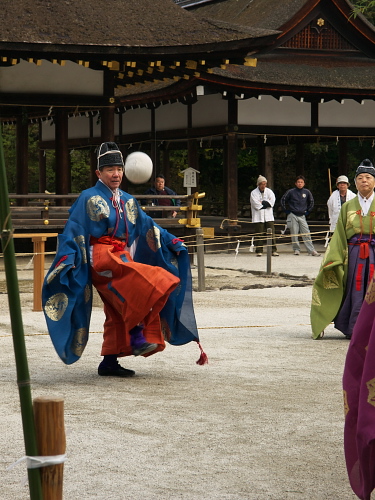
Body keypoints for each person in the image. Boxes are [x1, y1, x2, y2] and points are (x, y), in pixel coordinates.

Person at [42, 142, 203, 377]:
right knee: (145, 281)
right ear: (99, 173)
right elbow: (73, 229)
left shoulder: (128, 200)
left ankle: (109, 361)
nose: (116, 174)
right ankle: (138, 336)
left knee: (117, 309)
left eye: (119, 169)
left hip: (121, 255)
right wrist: (68, 258)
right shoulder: (88, 197)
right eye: (110, 170)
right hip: (101, 257)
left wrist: (172, 241)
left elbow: (149, 226)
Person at [310, 159, 375, 340]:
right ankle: (354, 327)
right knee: (354, 288)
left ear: (374, 181)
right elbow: (339, 235)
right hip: (354, 254)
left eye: (368, 177)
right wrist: (333, 259)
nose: (364, 181)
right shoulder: (348, 207)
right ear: (355, 183)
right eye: (360, 178)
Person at [280, 175, 320, 256]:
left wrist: (308, 211)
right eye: (298, 182)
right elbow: (283, 200)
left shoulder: (307, 192)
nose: (300, 183)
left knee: (306, 233)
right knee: (294, 233)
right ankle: (296, 249)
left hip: (302, 215)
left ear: (304, 183)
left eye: (301, 182)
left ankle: (311, 250)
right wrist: (286, 210)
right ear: (295, 183)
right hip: (293, 214)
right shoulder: (290, 192)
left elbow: (311, 202)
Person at [250, 175, 279, 257]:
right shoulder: (253, 193)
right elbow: (255, 204)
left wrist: (262, 202)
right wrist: (265, 203)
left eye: (264, 184)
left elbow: (272, 202)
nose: (263, 186)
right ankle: (259, 250)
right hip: (258, 216)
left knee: (271, 233)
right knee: (259, 234)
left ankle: (273, 250)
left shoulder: (269, 192)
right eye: (262, 184)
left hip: (269, 216)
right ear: (258, 184)